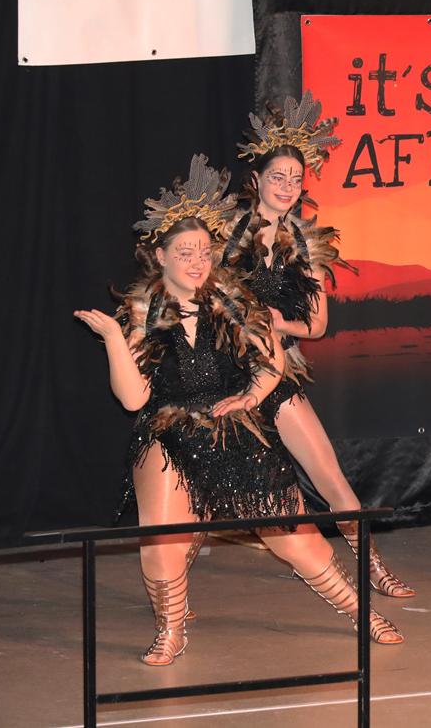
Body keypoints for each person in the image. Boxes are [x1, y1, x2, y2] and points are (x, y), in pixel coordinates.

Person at [75, 156, 402, 665]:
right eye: (184, 253)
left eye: (204, 252)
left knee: (295, 538)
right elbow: (134, 400)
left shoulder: (232, 300)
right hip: (170, 433)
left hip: (234, 428)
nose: (197, 262)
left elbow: (272, 361)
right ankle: (171, 629)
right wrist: (116, 339)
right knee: (163, 539)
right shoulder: (142, 314)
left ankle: (362, 612)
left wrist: (252, 396)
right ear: (160, 256)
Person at [224, 94, 413, 598]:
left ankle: (373, 567)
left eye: (295, 179)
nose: (287, 186)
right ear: (256, 180)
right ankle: (172, 598)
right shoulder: (224, 235)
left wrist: (273, 320)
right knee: (196, 488)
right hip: (221, 378)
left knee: (330, 476)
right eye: (278, 177)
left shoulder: (306, 245)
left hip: (276, 373)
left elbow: (317, 325)